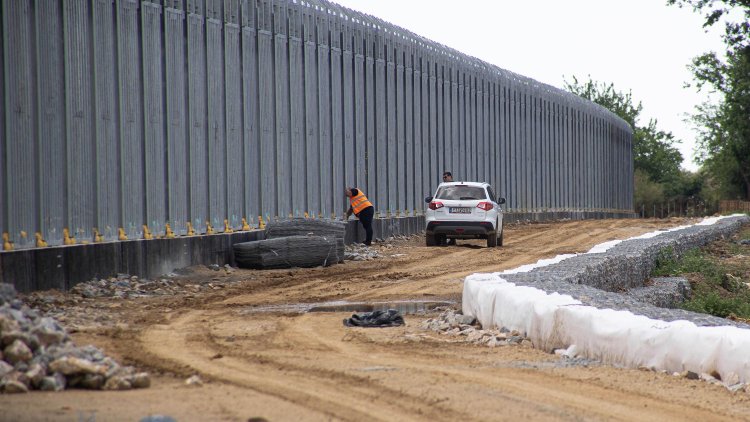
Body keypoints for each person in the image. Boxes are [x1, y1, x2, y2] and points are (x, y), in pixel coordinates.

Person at [441, 171, 456, 245]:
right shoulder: (443, 186)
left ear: (450, 177)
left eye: (445, 177)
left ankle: (452, 240)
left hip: (453, 206)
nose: (444, 179)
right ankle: (443, 240)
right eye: (443, 177)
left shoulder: (455, 185)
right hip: (445, 207)